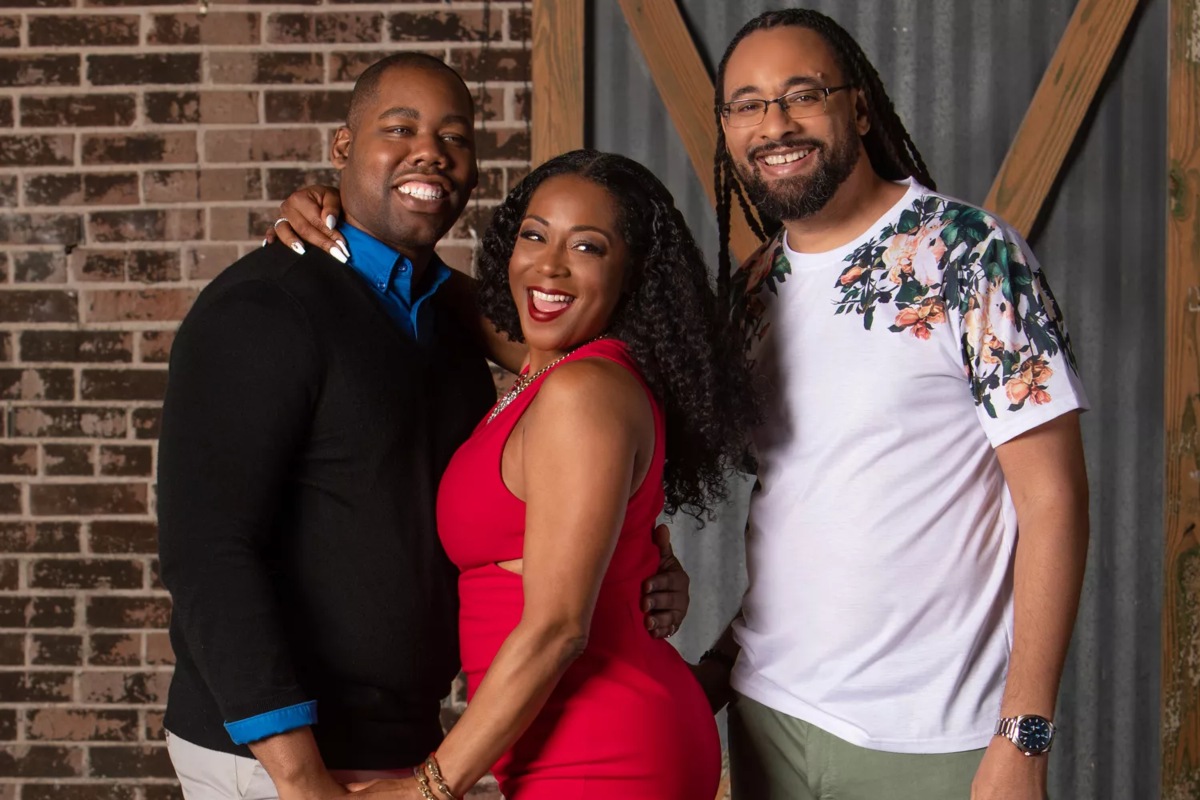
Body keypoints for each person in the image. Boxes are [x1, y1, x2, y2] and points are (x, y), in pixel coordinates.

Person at [156, 54, 689, 800]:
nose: (431, 153)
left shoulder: (448, 325)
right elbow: (207, 553)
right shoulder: (266, 308)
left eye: (455, 137)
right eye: (400, 129)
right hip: (281, 762)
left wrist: (640, 561)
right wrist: (301, 778)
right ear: (344, 147)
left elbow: (594, 393)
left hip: (406, 744)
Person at [688, 9, 1090, 800]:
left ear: (861, 108)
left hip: (934, 735)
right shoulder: (753, 291)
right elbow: (804, 503)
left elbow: (1054, 502)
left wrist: (1025, 735)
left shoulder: (968, 255)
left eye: (803, 94)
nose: (775, 124)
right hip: (769, 714)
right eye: (747, 104)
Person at [338, 150, 756, 798]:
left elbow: (558, 629)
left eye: (587, 246)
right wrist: (340, 223)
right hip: (562, 742)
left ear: (632, 273)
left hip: (605, 752)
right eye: (534, 235)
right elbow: (452, 296)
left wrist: (426, 789)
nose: (549, 265)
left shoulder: (583, 391)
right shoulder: (549, 373)